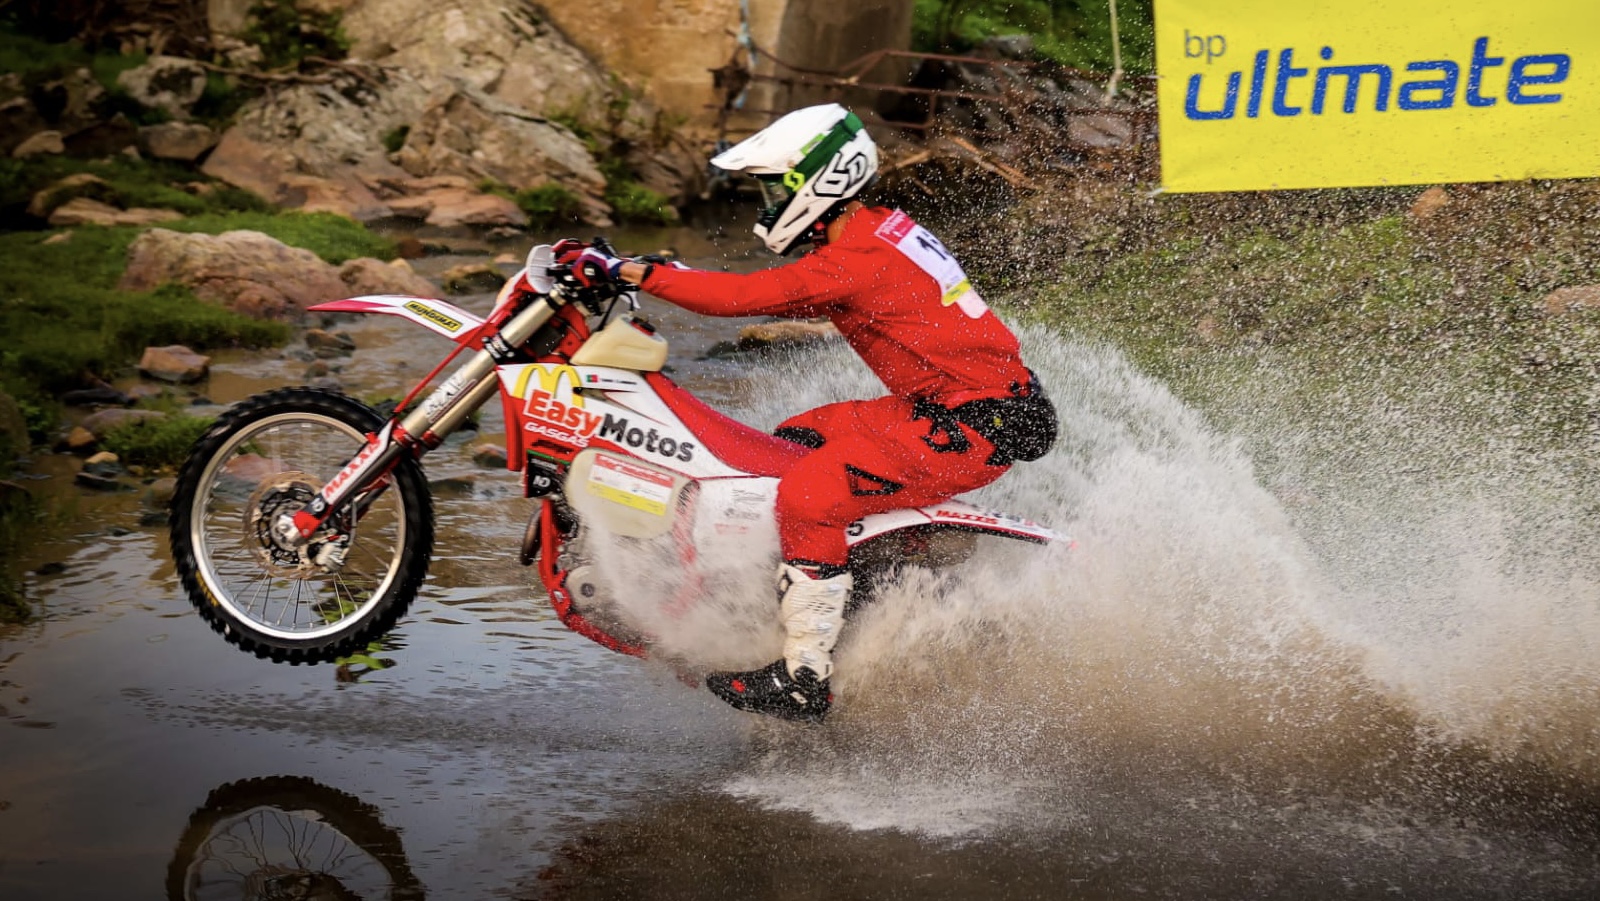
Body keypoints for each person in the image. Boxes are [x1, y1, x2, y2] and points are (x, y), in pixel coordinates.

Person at [558, 103, 1056, 723]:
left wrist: (635, 272)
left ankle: (804, 675)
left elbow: (742, 296)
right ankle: (828, 582)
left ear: (819, 183)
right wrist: (658, 271)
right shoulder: (874, 230)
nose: (767, 204)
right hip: (952, 406)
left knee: (810, 493)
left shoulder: (857, 259)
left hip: (975, 425)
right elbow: (772, 290)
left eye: (775, 189)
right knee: (796, 441)